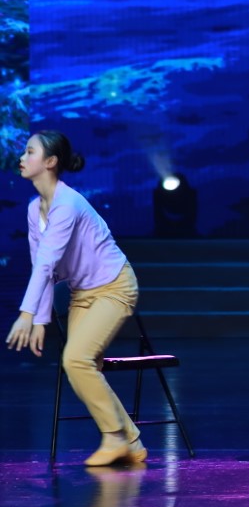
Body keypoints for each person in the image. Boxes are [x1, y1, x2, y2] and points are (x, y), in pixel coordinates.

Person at [6, 131, 149, 466]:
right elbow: (41, 268)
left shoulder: (67, 203)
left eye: (30, 152)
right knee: (84, 365)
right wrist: (41, 319)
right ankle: (130, 440)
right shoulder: (34, 209)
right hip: (82, 293)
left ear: (51, 162)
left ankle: (114, 437)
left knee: (76, 359)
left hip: (114, 286)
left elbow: (47, 263)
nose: (22, 158)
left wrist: (27, 315)